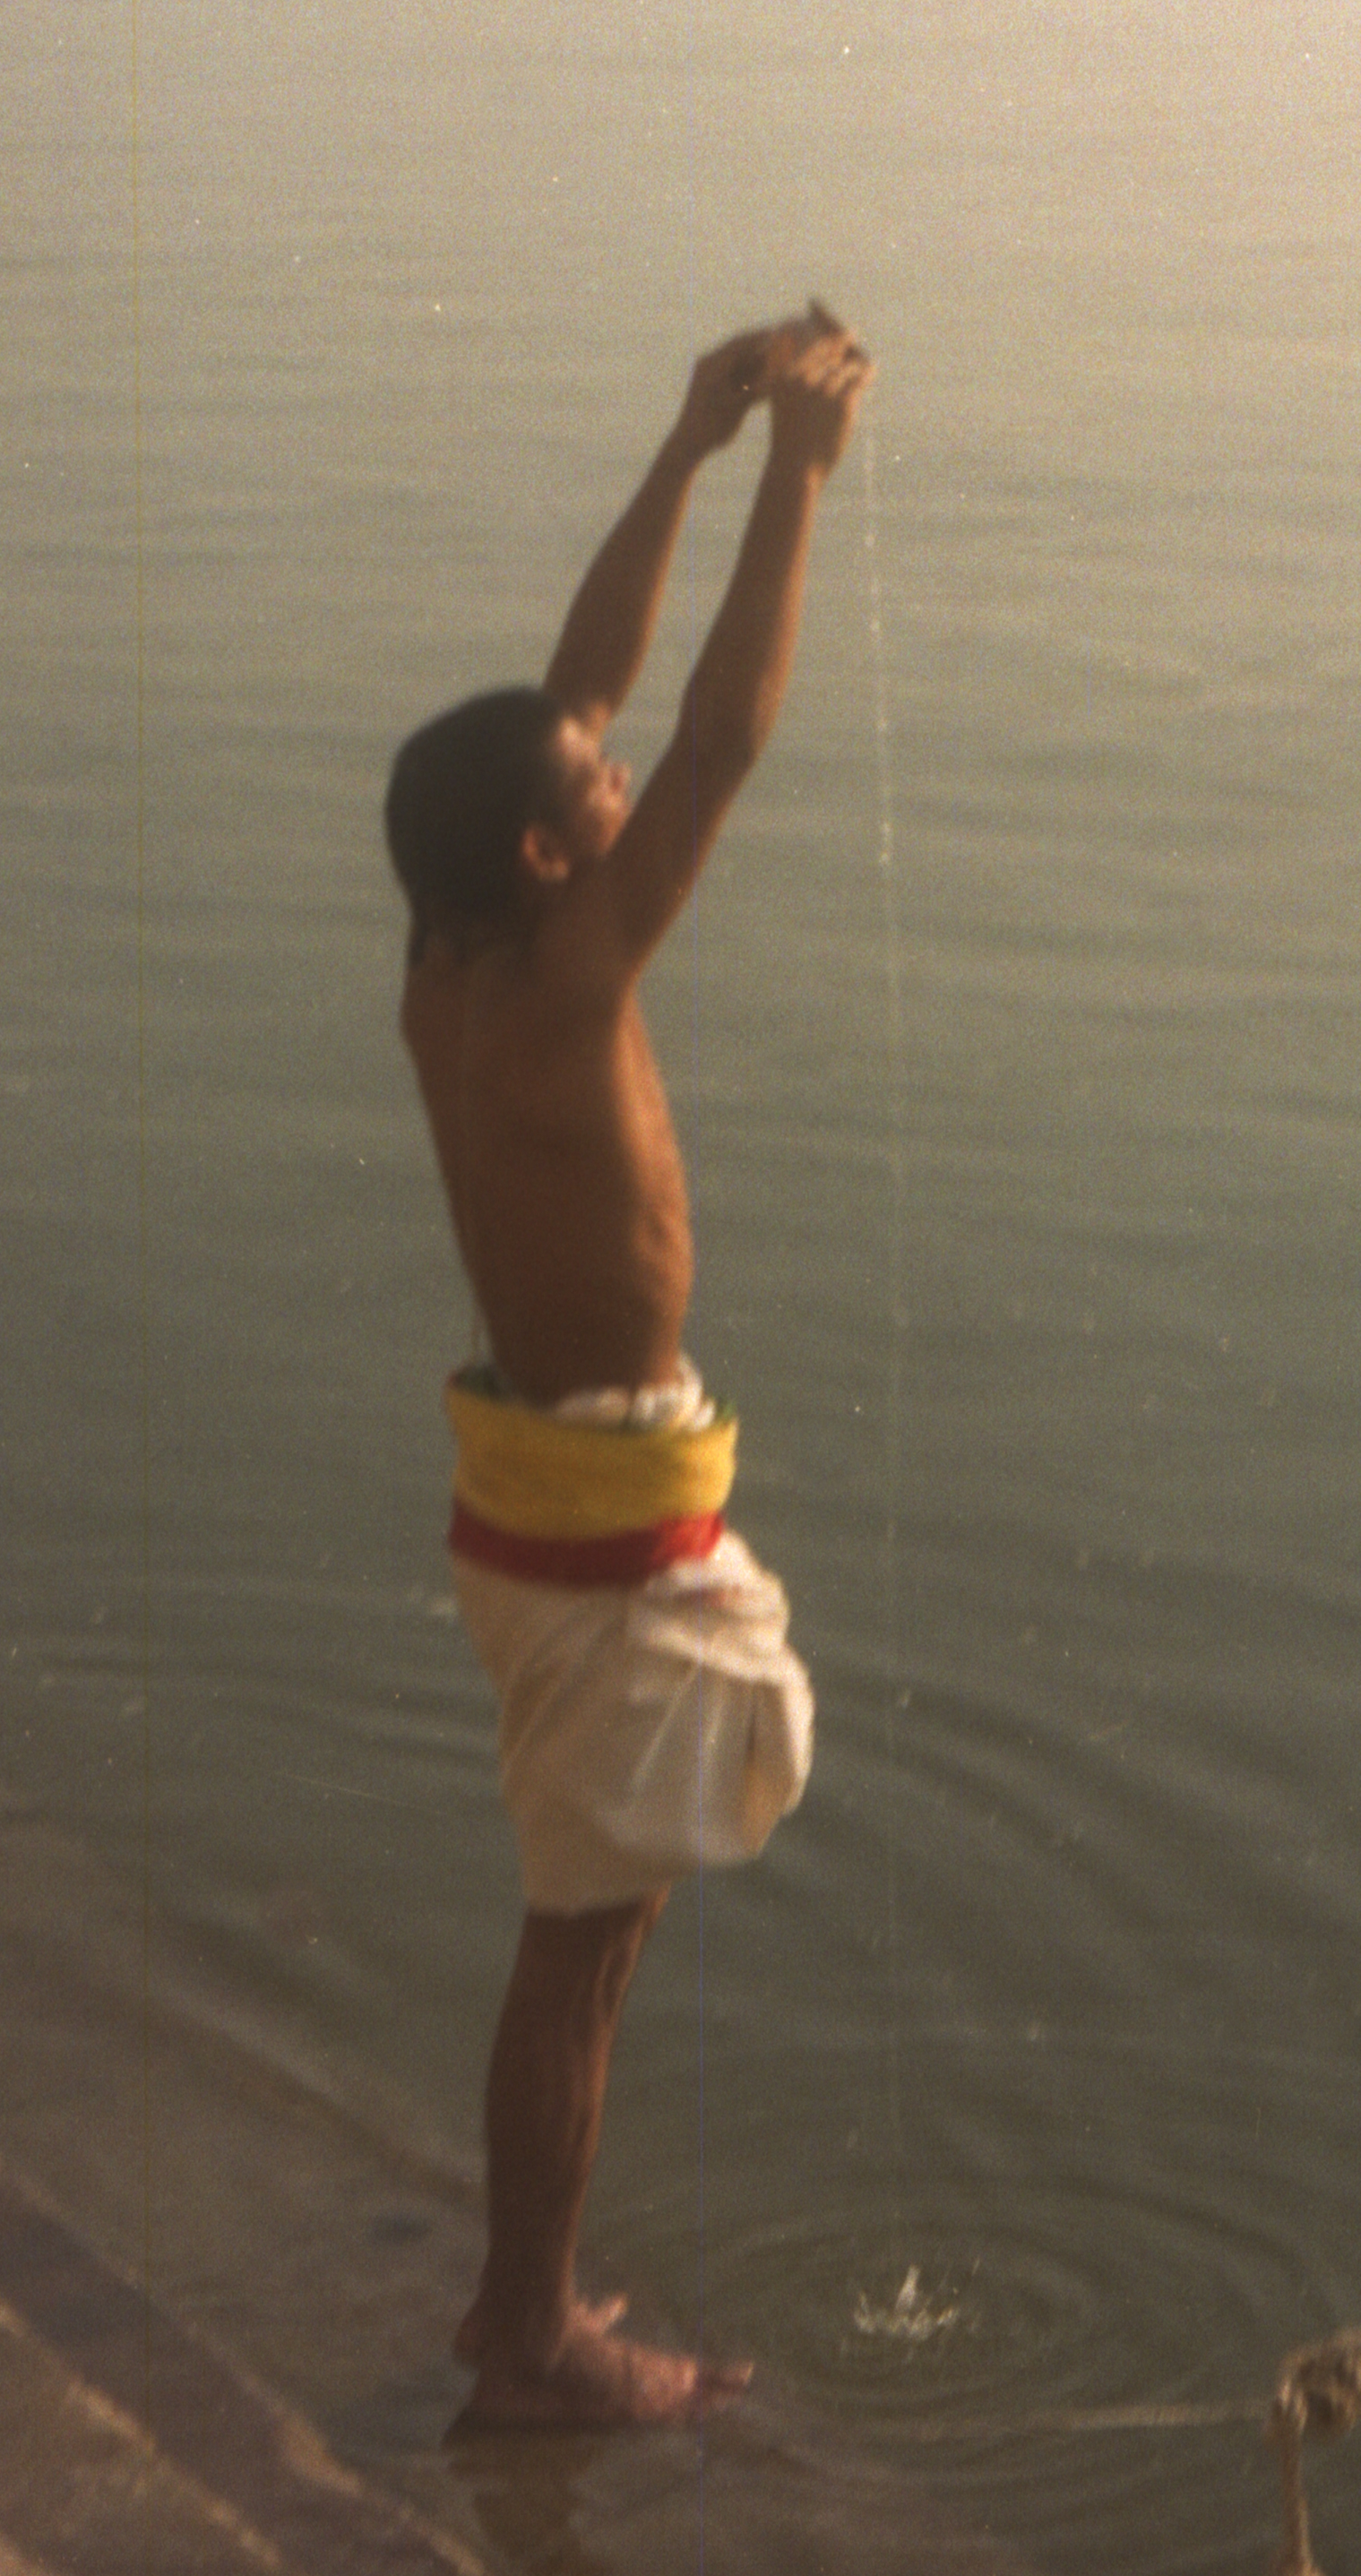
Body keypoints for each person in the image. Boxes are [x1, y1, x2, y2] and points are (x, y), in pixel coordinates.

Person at [383, 306, 873, 2426]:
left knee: (599, 1924)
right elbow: (720, 740)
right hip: (587, 1526)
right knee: (577, 1944)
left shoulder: (449, 952)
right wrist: (796, 479)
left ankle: (532, 2294)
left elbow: (585, 692)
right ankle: (533, 2329)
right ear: (551, 851)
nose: (605, 757)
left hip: (552, 1502)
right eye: (583, 783)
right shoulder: (574, 971)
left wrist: (683, 436)